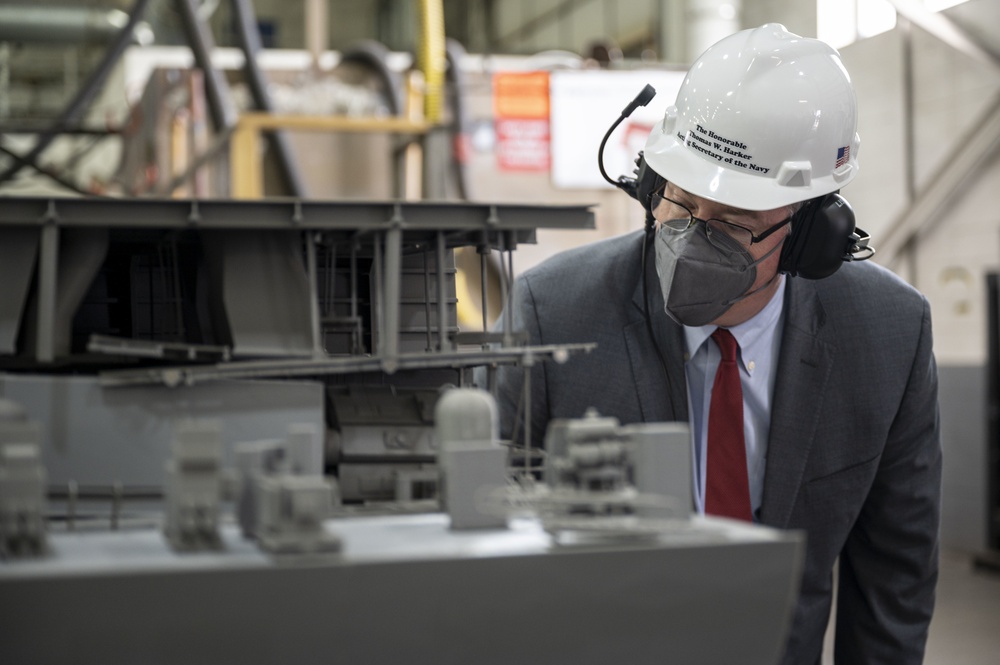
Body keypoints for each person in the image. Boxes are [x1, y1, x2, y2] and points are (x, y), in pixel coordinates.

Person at [483, 23, 941, 665]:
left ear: (812, 234)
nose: (692, 240)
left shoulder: (888, 332)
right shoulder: (553, 312)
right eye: (677, 201)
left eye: (732, 223)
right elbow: (488, 551)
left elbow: (894, 579)